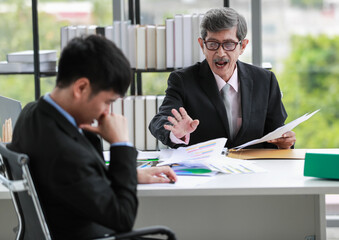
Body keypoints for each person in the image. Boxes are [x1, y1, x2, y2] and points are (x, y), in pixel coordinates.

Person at [8, 35, 177, 240]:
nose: (106, 112)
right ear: (81, 88)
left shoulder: (32, 113)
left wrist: (129, 174)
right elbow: (122, 219)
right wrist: (120, 144)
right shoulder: (65, 152)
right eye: (107, 101)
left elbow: (75, 181)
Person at [149, 7, 296, 149]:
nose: (220, 53)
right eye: (213, 44)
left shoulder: (265, 80)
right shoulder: (182, 80)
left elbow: (278, 132)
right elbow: (159, 122)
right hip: (204, 170)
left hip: (254, 169)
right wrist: (175, 134)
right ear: (202, 45)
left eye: (228, 44)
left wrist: (285, 141)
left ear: (242, 46)